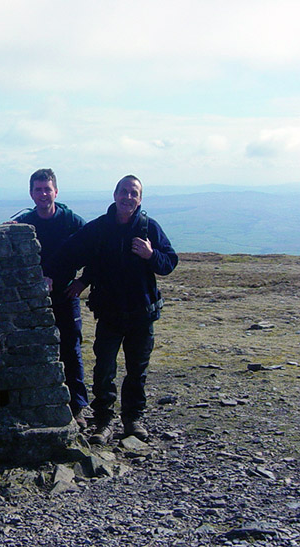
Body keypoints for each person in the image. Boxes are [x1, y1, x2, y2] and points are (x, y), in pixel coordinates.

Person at [45, 175, 178, 444]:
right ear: (115, 194)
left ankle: (132, 421)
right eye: (124, 192)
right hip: (109, 313)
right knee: (104, 370)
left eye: (134, 193)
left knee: (136, 370)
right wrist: (52, 275)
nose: (128, 197)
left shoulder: (149, 228)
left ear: (140, 199)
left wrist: (151, 255)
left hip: (142, 313)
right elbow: (69, 253)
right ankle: (103, 422)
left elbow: (169, 262)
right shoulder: (99, 229)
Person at [12, 168, 89, 427]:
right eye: (38, 189)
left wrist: (82, 282)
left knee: (70, 348)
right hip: (32, 298)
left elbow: (97, 252)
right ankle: (37, 402)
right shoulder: (24, 223)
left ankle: (77, 407)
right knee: (33, 348)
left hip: (66, 295)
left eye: (47, 189)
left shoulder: (72, 222)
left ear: (56, 191)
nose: (43, 194)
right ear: (31, 193)